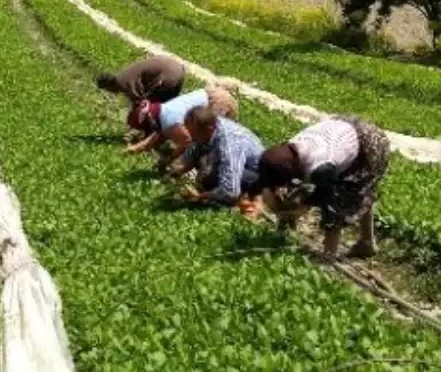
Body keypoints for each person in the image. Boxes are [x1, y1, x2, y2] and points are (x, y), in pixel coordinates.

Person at [243, 115, 391, 260]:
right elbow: (268, 182)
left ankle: (340, 252)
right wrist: (252, 198)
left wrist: (303, 208)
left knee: (350, 195)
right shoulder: (287, 153)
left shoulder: (321, 167)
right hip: (340, 131)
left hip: (369, 145)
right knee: (296, 195)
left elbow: (331, 205)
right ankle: (287, 225)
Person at [125, 85, 238, 169]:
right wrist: (135, 149)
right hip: (210, 93)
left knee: (209, 137)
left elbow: (186, 142)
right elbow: (160, 134)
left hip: (217, 103)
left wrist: (168, 159)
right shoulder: (163, 111)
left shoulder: (171, 122)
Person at [170, 106, 264, 206]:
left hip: (259, 176)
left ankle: (250, 198)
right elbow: (196, 147)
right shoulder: (212, 126)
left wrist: (199, 196)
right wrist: (179, 171)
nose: (190, 137)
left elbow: (230, 192)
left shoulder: (229, 144)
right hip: (240, 165)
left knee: (209, 179)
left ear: (209, 129)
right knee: (205, 169)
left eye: (194, 134)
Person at [96, 55, 186, 105]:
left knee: (155, 108)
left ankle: (154, 134)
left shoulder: (124, 83)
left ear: (108, 86)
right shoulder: (123, 76)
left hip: (168, 75)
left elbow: (140, 100)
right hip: (177, 69)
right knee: (170, 104)